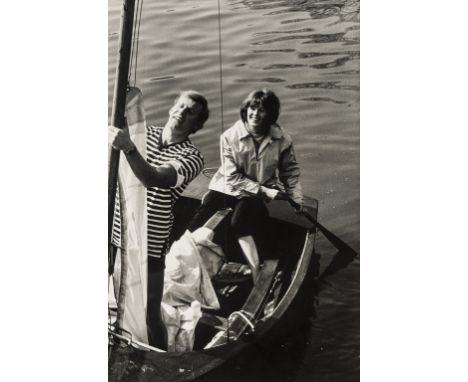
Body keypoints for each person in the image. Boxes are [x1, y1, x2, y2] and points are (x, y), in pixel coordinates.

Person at [109, 88, 209, 350]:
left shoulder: (192, 157)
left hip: (152, 238)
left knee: (149, 309)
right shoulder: (145, 134)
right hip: (117, 227)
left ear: (196, 125)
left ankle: (162, 360)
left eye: (191, 113)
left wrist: (128, 147)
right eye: (180, 107)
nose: (182, 113)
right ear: (171, 107)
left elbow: (155, 179)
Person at [188, 88, 303, 282]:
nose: (255, 114)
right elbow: (232, 178)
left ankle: (256, 272)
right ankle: (183, 262)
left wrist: (296, 197)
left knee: (240, 222)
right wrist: (266, 191)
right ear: (245, 109)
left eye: (262, 110)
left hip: (254, 194)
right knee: (196, 223)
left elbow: (289, 171)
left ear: (271, 114)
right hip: (227, 187)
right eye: (252, 108)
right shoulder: (230, 137)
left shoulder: (282, 139)